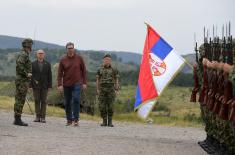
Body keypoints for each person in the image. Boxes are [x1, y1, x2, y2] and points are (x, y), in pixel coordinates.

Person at [57, 42, 87, 126]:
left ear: (74, 49)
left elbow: (84, 71)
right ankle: (69, 120)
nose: (70, 49)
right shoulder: (63, 59)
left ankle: (76, 119)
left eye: (71, 48)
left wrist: (84, 82)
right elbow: (59, 73)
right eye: (68, 48)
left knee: (76, 99)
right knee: (67, 102)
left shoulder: (79, 58)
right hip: (66, 84)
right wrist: (59, 84)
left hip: (77, 83)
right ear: (66, 49)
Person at [13, 38, 33, 126]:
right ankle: (17, 119)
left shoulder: (23, 53)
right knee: (20, 99)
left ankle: (17, 118)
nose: (31, 46)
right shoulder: (24, 54)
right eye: (31, 44)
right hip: (22, 80)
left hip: (21, 80)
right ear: (28, 45)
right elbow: (19, 65)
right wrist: (26, 74)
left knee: (19, 98)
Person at [96, 53, 120, 127]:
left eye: (108, 59)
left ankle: (110, 122)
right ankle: (104, 121)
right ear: (103, 60)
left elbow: (116, 79)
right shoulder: (99, 69)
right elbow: (97, 80)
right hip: (102, 89)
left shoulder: (114, 69)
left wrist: (116, 89)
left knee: (110, 106)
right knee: (102, 106)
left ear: (110, 61)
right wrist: (97, 89)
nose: (107, 61)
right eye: (106, 59)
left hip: (111, 89)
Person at [30, 50, 52, 123]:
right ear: (37, 55)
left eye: (42, 53)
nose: (40, 55)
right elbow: (30, 76)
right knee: (36, 101)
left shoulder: (48, 64)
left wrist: (50, 86)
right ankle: (37, 116)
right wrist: (30, 85)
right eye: (39, 53)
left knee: (44, 101)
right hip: (35, 86)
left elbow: (50, 76)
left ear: (44, 55)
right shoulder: (32, 64)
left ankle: (43, 117)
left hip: (45, 86)